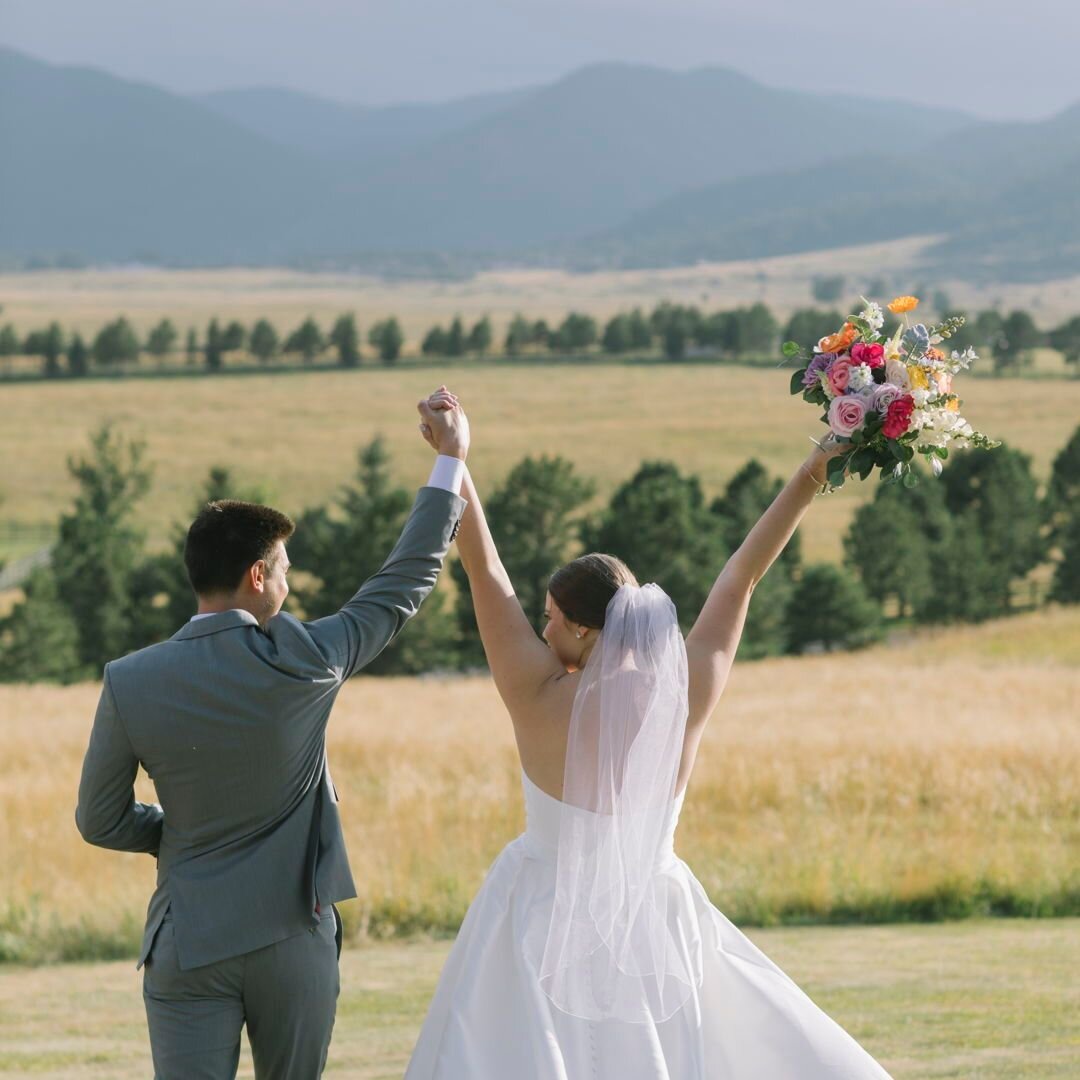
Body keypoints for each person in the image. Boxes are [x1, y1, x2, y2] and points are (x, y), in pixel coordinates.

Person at [407, 388, 891, 1079]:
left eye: (547, 616)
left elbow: (484, 571)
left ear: (580, 627)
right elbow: (743, 578)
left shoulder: (534, 693)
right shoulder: (686, 692)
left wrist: (456, 459)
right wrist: (814, 471)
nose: (540, 629)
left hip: (535, 913)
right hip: (654, 916)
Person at [75, 389, 469, 1080]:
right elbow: (404, 581)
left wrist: (184, 831)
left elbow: (99, 819)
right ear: (258, 577)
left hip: (187, 939)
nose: (288, 580)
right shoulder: (308, 661)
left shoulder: (130, 680)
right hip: (294, 937)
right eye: (283, 568)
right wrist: (451, 461)